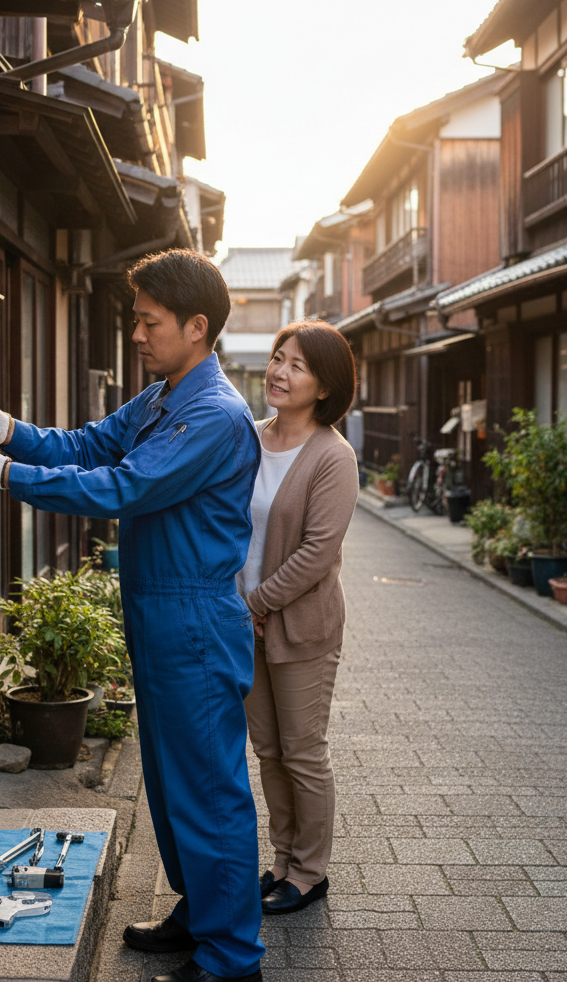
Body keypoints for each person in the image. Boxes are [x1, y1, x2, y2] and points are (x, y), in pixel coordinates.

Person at [0, 249, 266, 982]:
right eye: (137, 320)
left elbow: (120, 485)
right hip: (163, 616)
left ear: (197, 326)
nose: (139, 335)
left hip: (195, 621)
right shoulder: (162, 397)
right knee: (176, 780)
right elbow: (89, 444)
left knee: (208, 788)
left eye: (150, 322)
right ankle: (199, 914)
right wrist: (10, 429)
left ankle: (234, 958)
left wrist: (6, 477)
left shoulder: (212, 414)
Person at [235, 319, 358, 916]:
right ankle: (282, 860)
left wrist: (255, 604)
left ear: (325, 386)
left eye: (297, 365)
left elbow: (317, 552)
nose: (279, 372)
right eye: (278, 358)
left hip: (299, 627)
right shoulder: (249, 437)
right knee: (268, 750)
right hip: (245, 621)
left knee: (303, 751)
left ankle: (310, 873)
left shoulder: (334, 457)